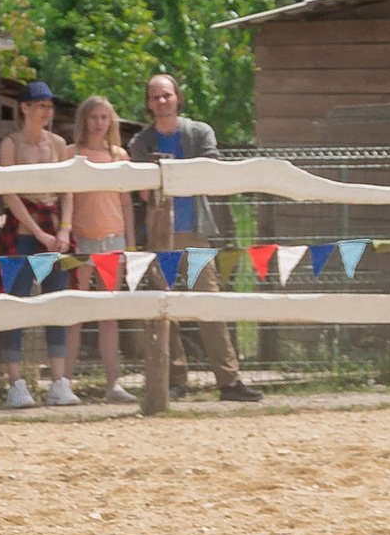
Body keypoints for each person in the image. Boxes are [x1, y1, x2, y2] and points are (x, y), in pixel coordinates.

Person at [127, 73, 262, 403]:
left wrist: (170, 177)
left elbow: (209, 172)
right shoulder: (141, 142)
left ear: (178, 98)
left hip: (196, 231)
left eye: (167, 95)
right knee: (165, 307)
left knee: (209, 304)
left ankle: (228, 381)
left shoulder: (200, 132)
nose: (162, 101)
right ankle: (174, 379)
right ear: (148, 103)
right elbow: (144, 193)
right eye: (155, 97)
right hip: (160, 235)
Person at [0, 80, 76, 408]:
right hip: (23, 229)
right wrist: (38, 233)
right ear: (25, 108)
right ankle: (16, 383)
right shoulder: (10, 144)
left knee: (57, 303)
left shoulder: (59, 144)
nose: (47, 111)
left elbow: (67, 189)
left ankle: (59, 381)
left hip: (54, 227)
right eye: (41, 105)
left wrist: (66, 230)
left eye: (50, 106)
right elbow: (9, 193)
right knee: (15, 304)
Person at [66, 95, 137, 403]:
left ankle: (113, 384)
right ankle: (64, 383)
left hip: (114, 241)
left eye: (104, 118)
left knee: (109, 315)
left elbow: (126, 203)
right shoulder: (71, 153)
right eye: (93, 117)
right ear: (84, 120)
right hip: (81, 240)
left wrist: (131, 244)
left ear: (112, 122)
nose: (98, 123)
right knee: (75, 312)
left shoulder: (120, 155)